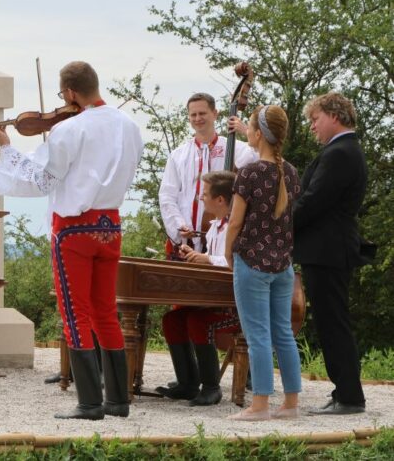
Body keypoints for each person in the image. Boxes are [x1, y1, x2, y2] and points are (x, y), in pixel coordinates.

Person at [0, 61, 144, 420]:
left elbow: (43, 181)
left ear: (70, 93)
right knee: (106, 311)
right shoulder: (130, 126)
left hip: (74, 228)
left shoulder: (70, 129)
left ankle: (89, 402)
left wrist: (8, 149)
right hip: (111, 224)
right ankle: (117, 400)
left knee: (75, 313)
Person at [224, 104, 302, 421]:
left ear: (257, 134)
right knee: (283, 333)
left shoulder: (250, 173)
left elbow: (234, 223)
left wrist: (229, 252)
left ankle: (259, 406)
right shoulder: (292, 173)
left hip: (252, 262)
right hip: (283, 265)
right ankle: (291, 404)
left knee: (257, 335)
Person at [294, 92, 367, 415]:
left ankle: (350, 396)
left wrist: (278, 227)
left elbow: (313, 201)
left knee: (332, 323)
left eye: (315, 119)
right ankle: (345, 392)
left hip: (328, 250)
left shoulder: (340, 153)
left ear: (334, 116)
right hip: (328, 250)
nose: (312, 127)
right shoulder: (342, 151)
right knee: (330, 322)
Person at [155, 170, 240, 406]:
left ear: (220, 200)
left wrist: (207, 259)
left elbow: (238, 263)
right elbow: (212, 257)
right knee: (172, 319)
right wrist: (195, 255)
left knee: (198, 321)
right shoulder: (214, 227)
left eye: (204, 194)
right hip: (214, 299)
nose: (200, 198)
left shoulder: (237, 226)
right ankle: (188, 383)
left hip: (235, 306)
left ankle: (211, 387)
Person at [159, 92, 257, 255]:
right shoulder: (178, 155)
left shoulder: (235, 148)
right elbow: (167, 195)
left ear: (215, 114)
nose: (198, 118)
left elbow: (265, 157)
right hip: (186, 241)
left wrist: (247, 131)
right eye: (193, 114)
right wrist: (179, 224)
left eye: (202, 113)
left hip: (222, 241)